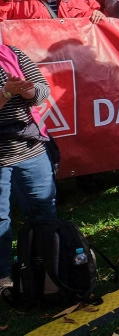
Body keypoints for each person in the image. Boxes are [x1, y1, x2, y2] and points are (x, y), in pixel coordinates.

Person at [0, 43, 55, 291]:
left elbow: (43, 91)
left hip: (30, 147)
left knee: (44, 208)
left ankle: (47, 268)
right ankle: (3, 277)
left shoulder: (13, 53)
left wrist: (29, 91)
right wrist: (6, 93)